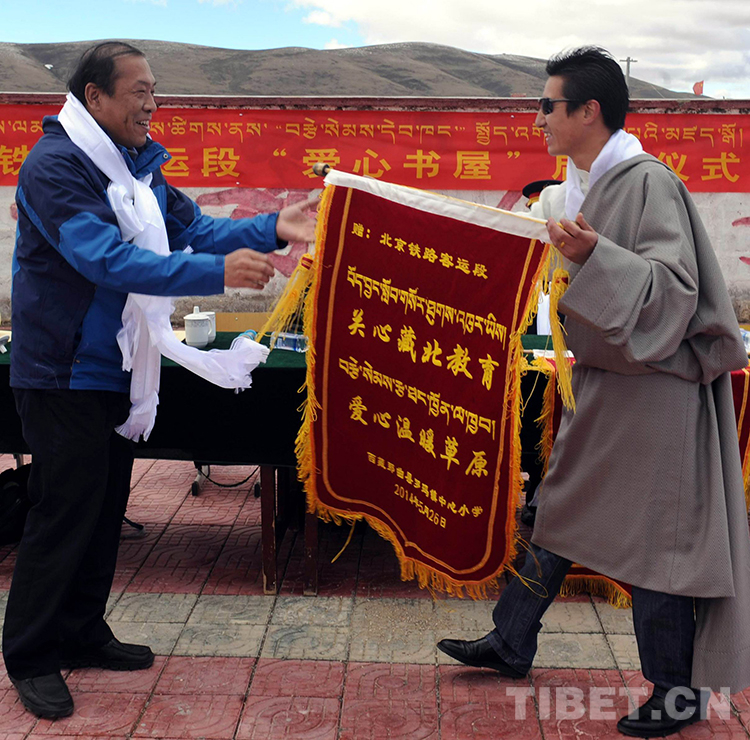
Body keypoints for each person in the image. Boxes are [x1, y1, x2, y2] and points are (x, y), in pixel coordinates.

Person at [438, 46, 750, 738]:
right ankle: (511, 640)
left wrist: (594, 256)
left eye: (547, 106)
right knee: (559, 507)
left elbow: (676, 291)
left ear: (589, 111)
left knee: (657, 539)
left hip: (658, 391)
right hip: (609, 379)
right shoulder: (578, 184)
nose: (538, 119)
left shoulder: (648, 182)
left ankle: (676, 691)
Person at [4, 41, 315, 719]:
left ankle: (82, 632)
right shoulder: (57, 167)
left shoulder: (136, 166)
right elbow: (106, 259)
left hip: (117, 364)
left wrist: (272, 227)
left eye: (155, 90)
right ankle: (30, 654)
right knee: (63, 514)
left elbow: (193, 226)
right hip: (62, 371)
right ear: (94, 97)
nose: (152, 103)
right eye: (138, 91)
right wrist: (215, 273)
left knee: (102, 510)